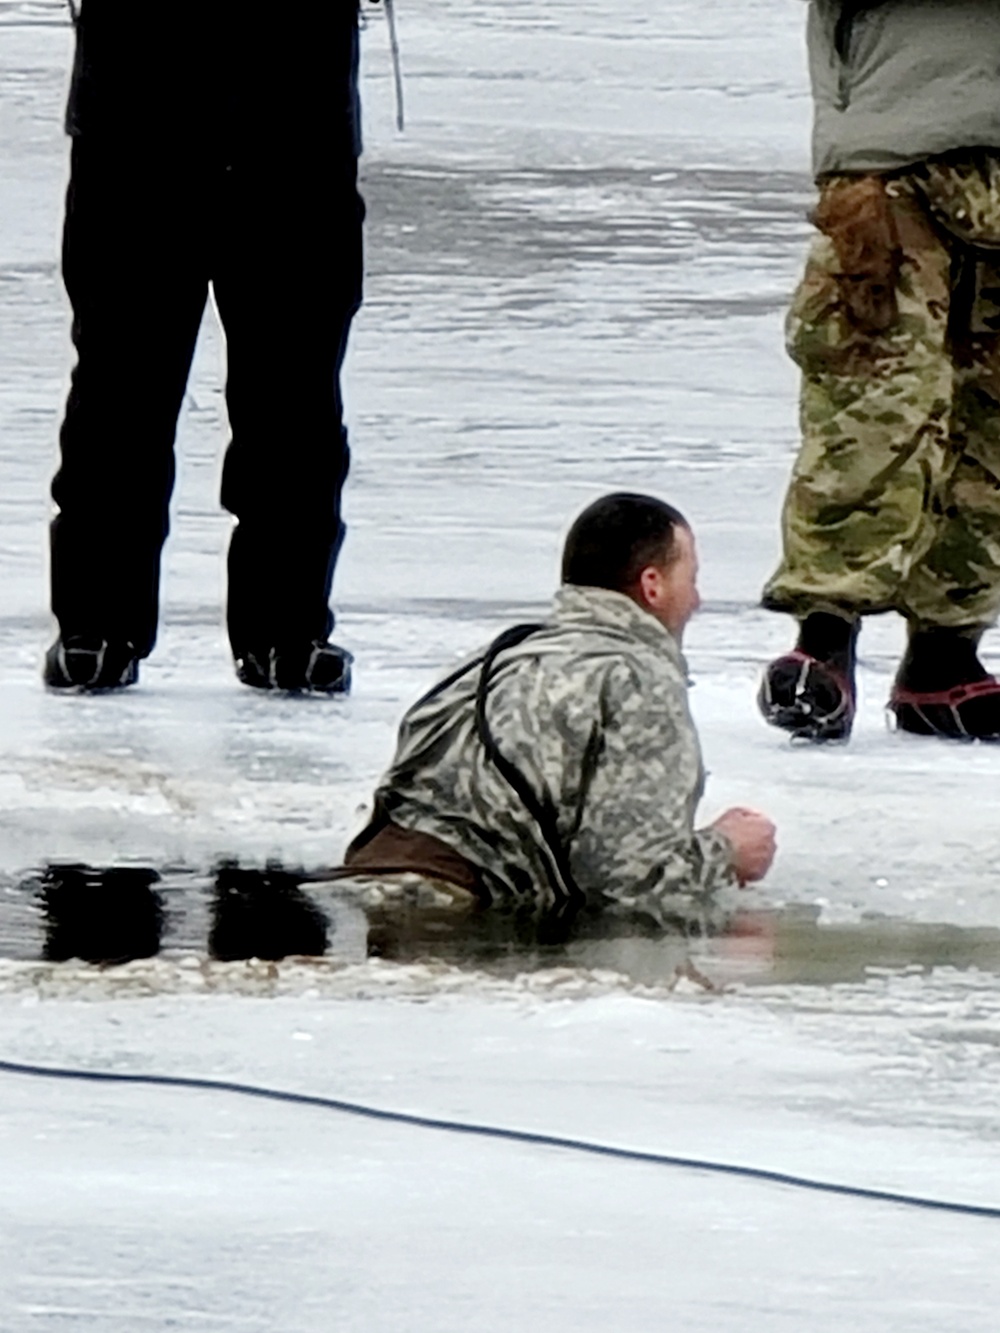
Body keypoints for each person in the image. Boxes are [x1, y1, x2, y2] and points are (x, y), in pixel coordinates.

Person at [44, 0, 364, 694]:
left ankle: (288, 628)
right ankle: (96, 623)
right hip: (133, 126)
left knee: (296, 391)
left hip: (297, 128)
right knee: (120, 385)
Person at [342, 493, 776, 928]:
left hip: (360, 891)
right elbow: (626, 886)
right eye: (692, 579)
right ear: (653, 586)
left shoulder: (490, 660)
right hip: (451, 923)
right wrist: (727, 853)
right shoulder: (636, 679)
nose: (697, 600)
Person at [759, 0, 1000, 742]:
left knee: (990, 425)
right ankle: (826, 635)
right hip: (894, 143)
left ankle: (945, 650)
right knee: (872, 401)